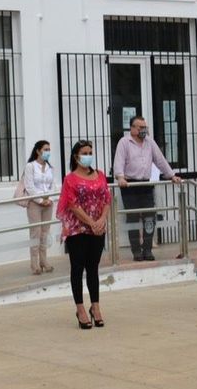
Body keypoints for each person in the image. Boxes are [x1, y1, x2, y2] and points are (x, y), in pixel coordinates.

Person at [58, 140, 110, 329]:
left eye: (90, 152)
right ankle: (80, 309)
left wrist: (101, 220)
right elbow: (72, 205)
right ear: (76, 157)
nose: (88, 155)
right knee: (77, 268)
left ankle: (95, 307)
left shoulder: (100, 175)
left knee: (93, 268)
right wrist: (90, 222)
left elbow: (106, 199)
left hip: (98, 228)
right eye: (84, 153)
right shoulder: (70, 179)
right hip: (77, 230)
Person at [112, 115, 174, 262]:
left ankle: (147, 249)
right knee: (132, 217)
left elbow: (160, 160)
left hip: (145, 184)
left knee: (149, 217)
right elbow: (119, 162)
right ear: (132, 128)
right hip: (130, 185)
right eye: (140, 127)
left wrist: (171, 175)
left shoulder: (149, 142)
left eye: (144, 127)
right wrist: (120, 177)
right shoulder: (124, 142)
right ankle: (136, 251)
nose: (143, 130)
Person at [21, 140, 58, 275]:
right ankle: (34, 263)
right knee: (35, 232)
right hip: (35, 204)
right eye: (45, 149)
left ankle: (44, 260)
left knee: (45, 232)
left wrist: (50, 199)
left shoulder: (50, 168)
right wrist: (40, 200)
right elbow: (29, 186)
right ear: (38, 151)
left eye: (49, 149)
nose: (48, 152)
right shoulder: (30, 166)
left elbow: (53, 185)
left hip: (48, 203)